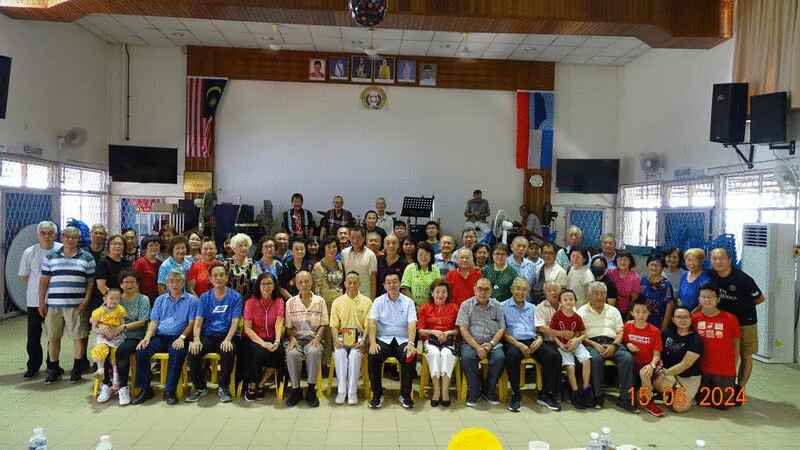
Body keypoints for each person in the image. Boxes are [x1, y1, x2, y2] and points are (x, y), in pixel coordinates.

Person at [132, 270, 199, 405]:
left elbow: (192, 323)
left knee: (177, 353)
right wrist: (147, 337)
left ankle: (170, 391)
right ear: (167, 284)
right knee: (141, 350)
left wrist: (182, 337)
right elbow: (154, 321)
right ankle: (146, 389)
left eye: (178, 281)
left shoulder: (192, 300)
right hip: (160, 336)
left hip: (179, 337)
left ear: (183, 283)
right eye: (171, 281)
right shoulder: (160, 300)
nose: (175, 284)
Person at [39, 226, 95, 384]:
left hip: (76, 305)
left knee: (78, 337)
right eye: (67, 237)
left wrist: (85, 301)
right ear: (62, 237)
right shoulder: (50, 257)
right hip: (53, 305)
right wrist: (41, 302)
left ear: (79, 239)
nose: (70, 240)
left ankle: (77, 369)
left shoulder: (87, 258)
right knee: (53, 337)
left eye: (74, 237)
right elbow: (44, 281)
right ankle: (53, 369)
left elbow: (90, 282)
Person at [709, 247, 762, 400]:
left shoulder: (743, 279)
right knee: (727, 354)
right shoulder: (711, 275)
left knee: (745, 355)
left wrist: (742, 308)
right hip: (724, 323)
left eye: (721, 258)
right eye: (714, 259)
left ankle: (741, 388)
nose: (718, 262)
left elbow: (760, 298)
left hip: (746, 322)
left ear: (729, 260)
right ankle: (724, 385)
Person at [502, 278, 562, 412]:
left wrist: (540, 339)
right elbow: (503, 332)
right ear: (512, 290)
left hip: (533, 340)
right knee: (512, 356)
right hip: (514, 341)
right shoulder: (503, 306)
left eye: (524, 290)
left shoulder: (533, 307)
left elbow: (539, 328)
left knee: (553, 356)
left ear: (528, 292)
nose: (521, 292)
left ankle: (545, 393)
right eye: (518, 289)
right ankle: (516, 394)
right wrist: (519, 345)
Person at [185, 265, 242, 403]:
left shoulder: (235, 297)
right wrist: (196, 339)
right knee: (193, 351)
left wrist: (228, 339)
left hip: (227, 335)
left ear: (227, 278)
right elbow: (198, 322)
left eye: (222, 275)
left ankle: (223, 387)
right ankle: (200, 387)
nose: (218, 278)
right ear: (210, 279)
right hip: (208, 336)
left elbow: (235, 322)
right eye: (215, 275)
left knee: (228, 350)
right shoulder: (204, 297)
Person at [577, 282, 636, 412]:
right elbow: (579, 335)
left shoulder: (613, 311)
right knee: (595, 359)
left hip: (613, 343)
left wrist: (614, 345)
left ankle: (625, 399)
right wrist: (594, 345)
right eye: (596, 293)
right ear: (589, 295)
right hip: (591, 343)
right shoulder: (581, 311)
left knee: (627, 358)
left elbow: (621, 332)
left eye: (603, 293)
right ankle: (597, 396)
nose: (600, 296)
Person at [96, 269, 150, 405]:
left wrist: (123, 327)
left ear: (138, 283)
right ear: (121, 284)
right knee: (104, 349)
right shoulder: (115, 298)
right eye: (126, 282)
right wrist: (101, 327)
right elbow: (99, 315)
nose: (129, 285)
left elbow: (143, 321)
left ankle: (123, 387)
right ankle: (107, 385)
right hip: (112, 336)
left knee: (122, 350)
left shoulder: (143, 299)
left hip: (134, 336)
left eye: (132, 282)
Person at [367, 273, 417, 409]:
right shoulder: (378, 301)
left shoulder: (408, 302)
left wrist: (411, 344)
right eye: (388, 282)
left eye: (395, 281)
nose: (392, 285)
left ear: (400, 284)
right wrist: (372, 342)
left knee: (410, 356)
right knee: (373, 355)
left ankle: (405, 395)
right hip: (383, 339)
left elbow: (412, 324)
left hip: (403, 340)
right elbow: (372, 322)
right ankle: (377, 395)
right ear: (384, 286)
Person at [18, 220, 61, 378]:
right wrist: (37, 287)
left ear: (55, 234)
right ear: (38, 234)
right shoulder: (30, 252)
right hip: (34, 300)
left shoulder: (61, 250)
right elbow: (23, 276)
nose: (47, 236)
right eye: (43, 233)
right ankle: (33, 365)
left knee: (54, 335)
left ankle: (52, 364)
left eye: (50, 233)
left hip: (56, 300)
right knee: (33, 335)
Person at [457, 277, 506, 407]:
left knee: (500, 358)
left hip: (492, 343)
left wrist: (490, 345)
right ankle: (474, 392)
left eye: (486, 289)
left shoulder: (498, 306)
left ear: (491, 291)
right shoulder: (466, 305)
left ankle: (488, 390)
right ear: (474, 290)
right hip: (471, 343)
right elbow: (463, 329)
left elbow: (502, 328)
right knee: (467, 358)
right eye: (480, 289)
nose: (483, 292)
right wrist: (477, 347)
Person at [692, 282, 741, 409]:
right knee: (702, 402)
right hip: (702, 370)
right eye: (703, 297)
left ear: (718, 299)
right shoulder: (694, 318)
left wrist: (734, 364)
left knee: (723, 406)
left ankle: (734, 387)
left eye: (710, 297)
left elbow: (736, 344)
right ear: (699, 299)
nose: (707, 300)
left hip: (724, 370)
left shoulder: (730, 319)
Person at [284, 271, 328, 407]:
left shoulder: (320, 301)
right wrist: (292, 339)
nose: (304, 284)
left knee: (314, 352)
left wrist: (317, 338)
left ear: (311, 282)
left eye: (307, 281)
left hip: (313, 338)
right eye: (300, 282)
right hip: (296, 339)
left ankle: (311, 390)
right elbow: (288, 327)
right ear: (296, 284)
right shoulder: (290, 302)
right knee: (292, 354)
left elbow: (323, 324)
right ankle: (296, 390)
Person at [330, 272, 372, 404]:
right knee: (340, 353)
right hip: (342, 337)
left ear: (360, 284)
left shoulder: (367, 301)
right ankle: (342, 391)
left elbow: (368, 325)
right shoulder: (337, 302)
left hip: (359, 338)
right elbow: (334, 325)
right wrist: (335, 340)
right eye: (349, 282)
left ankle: (352, 392)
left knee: (354, 356)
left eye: (355, 282)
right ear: (345, 284)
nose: (352, 285)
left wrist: (363, 341)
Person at [242, 273, 285, 402]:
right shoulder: (250, 302)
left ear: (274, 285)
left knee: (278, 352)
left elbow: (279, 323)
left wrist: (277, 341)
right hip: (253, 339)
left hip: (272, 338)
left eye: (270, 283)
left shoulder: (279, 301)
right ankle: (252, 384)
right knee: (258, 352)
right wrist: (263, 343)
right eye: (263, 284)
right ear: (258, 285)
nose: (267, 287)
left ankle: (261, 383)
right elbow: (247, 329)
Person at [652, 306, 703, 413]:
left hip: (688, 377)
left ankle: (673, 394)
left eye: (686, 317)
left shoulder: (696, 339)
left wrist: (664, 373)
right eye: (679, 317)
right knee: (659, 382)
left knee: (679, 408)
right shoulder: (666, 333)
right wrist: (660, 372)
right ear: (673, 319)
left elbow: (685, 364)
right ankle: (671, 392)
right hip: (668, 375)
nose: (682, 320)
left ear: (691, 319)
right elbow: (657, 354)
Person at [418, 279, 460, 407]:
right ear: (432, 293)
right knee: (435, 354)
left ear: (447, 294)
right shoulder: (425, 308)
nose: (440, 295)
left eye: (443, 292)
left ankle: (445, 391)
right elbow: (420, 330)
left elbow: (458, 329)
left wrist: (447, 333)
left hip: (448, 341)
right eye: (437, 292)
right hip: (430, 341)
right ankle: (436, 391)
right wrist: (434, 332)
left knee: (446, 354)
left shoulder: (454, 307)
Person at [550, 289, 593, 409]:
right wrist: (560, 345)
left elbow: (584, 333)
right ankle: (575, 392)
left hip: (575, 344)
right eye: (565, 299)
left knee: (587, 360)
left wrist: (576, 340)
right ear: (560, 302)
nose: (568, 302)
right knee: (570, 367)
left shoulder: (577, 317)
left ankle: (585, 389)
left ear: (575, 301)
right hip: (562, 346)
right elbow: (552, 333)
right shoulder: (557, 316)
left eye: (571, 299)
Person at [624, 299, 664, 417]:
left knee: (644, 372)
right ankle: (646, 393)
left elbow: (657, 355)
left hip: (650, 364)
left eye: (644, 312)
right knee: (636, 398)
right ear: (632, 313)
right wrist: (628, 344)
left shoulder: (655, 331)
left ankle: (649, 402)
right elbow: (623, 341)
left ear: (649, 313)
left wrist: (651, 365)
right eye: (637, 311)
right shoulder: (627, 326)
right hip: (633, 366)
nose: (641, 315)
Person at [312, 237, 344, 367]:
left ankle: (338, 364)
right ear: (324, 248)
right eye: (329, 247)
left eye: (334, 247)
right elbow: (316, 289)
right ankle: (326, 365)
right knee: (327, 336)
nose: (332, 249)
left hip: (340, 305)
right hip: (325, 305)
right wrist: (320, 308)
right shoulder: (318, 266)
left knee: (338, 334)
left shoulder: (340, 264)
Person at [533, 280, 566, 407]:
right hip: (547, 341)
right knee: (554, 356)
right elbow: (541, 328)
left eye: (555, 290)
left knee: (582, 358)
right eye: (549, 290)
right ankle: (547, 393)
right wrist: (559, 333)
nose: (553, 293)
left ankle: (563, 391)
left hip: (566, 341)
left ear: (560, 291)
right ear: (545, 292)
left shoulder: (566, 303)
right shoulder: (541, 307)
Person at [89, 288, 127, 381]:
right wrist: (101, 331)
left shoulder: (121, 310)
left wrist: (116, 332)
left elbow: (122, 325)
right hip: (103, 336)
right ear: (105, 299)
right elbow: (94, 328)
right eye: (111, 298)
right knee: (100, 348)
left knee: (115, 354)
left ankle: (115, 376)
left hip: (117, 336)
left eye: (117, 298)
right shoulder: (98, 312)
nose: (114, 301)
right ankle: (100, 369)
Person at [341, 226, 378, 298]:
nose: (355, 240)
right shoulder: (344, 253)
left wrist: (372, 299)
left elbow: (373, 279)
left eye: (358, 237)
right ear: (349, 238)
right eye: (352, 238)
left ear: (363, 238)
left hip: (365, 296)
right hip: (348, 295)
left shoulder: (370, 255)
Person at [640, 255, 675, 331]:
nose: (654, 267)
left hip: (658, 322)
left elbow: (669, 305)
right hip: (642, 318)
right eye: (652, 264)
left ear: (662, 268)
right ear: (647, 265)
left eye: (658, 265)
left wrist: (664, 325)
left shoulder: (666, 284)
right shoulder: (643, 280)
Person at [401, 241, 441, 306]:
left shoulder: (435, 269)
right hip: (413, 306)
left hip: (431, 306)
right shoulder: (410, 268)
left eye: (427, 254)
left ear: (431, 256)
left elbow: (438, 289)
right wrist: (414, 305)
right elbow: (405, 289)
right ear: (416, 255)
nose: (423, 257)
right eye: (421, 254)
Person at [96, 235, 132, 304]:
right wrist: (116, 299)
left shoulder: (127, 264)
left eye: (120, 244)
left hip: (125, 299)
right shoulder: (103, 263)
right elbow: (101, 286)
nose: (117, 246)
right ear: (108, 246)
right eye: (114, 244)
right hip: (108, 301)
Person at [607, 252, 640, 317]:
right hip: (609, 307)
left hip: (625, 311)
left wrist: (628, 316)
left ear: (630, 262)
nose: (622, 262)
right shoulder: (610, 272)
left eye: (625, 260)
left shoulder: (635, 278)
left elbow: (634, 300)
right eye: (620, 260)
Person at [132, 236, 162, 303]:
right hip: (143, 299)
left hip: (158, 298)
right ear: (145, 248)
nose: (154, 248)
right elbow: (135, 282)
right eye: (151, 245)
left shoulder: (161, 263)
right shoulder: (139, 263)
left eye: (157, 245)